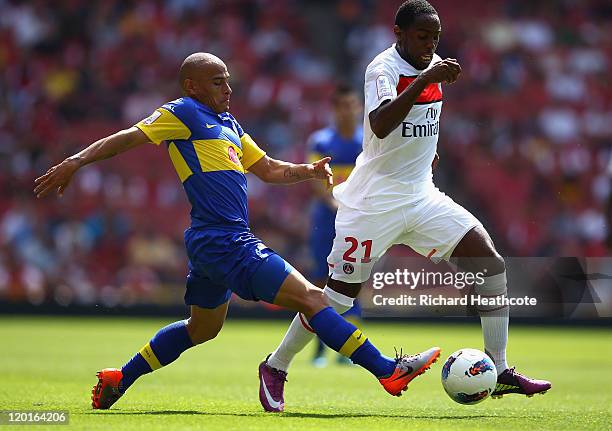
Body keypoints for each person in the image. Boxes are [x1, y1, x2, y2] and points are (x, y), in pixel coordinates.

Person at [33, 52, 440, 412]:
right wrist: (76, 160)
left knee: (202, 328)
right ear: (192, 86)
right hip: (224, 239)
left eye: (228, 80)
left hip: (214, 242)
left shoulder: (228, 124)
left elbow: (267, 169)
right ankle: (387, 370)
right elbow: (128, 138)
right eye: (217, 81)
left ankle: (119, 378)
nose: (228, 88)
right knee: (313, 300)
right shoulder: (183, 112)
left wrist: (308, 171)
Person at [259, 0, 551, 412]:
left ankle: (500, 370)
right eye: (421, 36)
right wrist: (426, 77)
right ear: (398, 33)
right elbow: (380, 122)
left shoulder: (433, 68)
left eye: (435, 37)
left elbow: (421, 125)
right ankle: (276, 365)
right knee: (336, 299)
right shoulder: (383, 69)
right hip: (374, 204)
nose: (430, 44)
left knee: (490, 265)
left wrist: (426, 154)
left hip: (421, 195)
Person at [306, 84, 364, 368]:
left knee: (353, 282)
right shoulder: (321, 141)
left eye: (351, 104)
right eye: (342, 105)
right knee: (321, 283)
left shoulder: (367, 142)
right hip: (326, 223)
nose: (347, 110)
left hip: (356, 222)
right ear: (334, 109)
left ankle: (347, 349)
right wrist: (337, 205)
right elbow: (318, 183)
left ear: (359, 108)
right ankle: (319, 349)